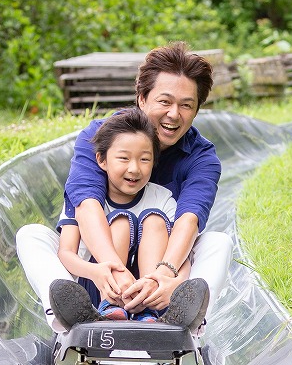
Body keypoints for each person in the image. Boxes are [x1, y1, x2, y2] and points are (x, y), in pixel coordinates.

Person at [17, 42, 232, 333]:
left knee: (219, 242)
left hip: (161, 272)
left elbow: (189, 220)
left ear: (196, 110)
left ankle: (183, 322)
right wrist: (109, 269)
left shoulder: (201, 158)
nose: (173, 114)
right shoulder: (101, 137)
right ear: (142, 99)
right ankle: (73, 317)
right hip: (99, 273)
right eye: (164, 101)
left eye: (186, 105)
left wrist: (167, 278)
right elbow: (87, 204)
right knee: (31, 235)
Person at [50, 107, 208, 328]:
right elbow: (66, 252)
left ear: (154, 162)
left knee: (154, 220)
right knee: (121, 221)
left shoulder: (161, 198)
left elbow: (181, 256)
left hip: (151, 293)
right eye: (123, 158)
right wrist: (96, 271)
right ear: (102, 160)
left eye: (144, 159)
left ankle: (151, 314)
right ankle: (106, 309)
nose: (134, 169)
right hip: (100, 287)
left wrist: (174, 282)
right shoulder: (87, 198)